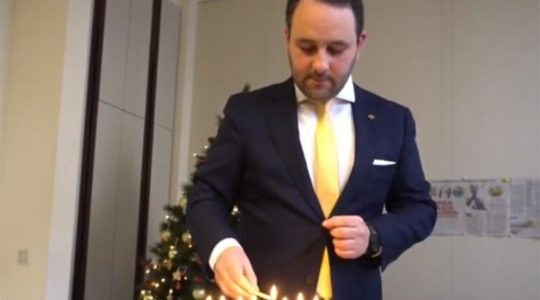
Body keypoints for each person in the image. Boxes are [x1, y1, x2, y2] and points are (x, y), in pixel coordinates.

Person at [186, 0, 437, 299]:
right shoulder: (248, 113)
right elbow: (207, 194)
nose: (320, 64)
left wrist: (374, 236)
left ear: (360, 43)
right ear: (286, 38)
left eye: (336, 49)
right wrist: (223, 249)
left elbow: (419, 208)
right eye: (306, 47)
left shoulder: (394, 121)